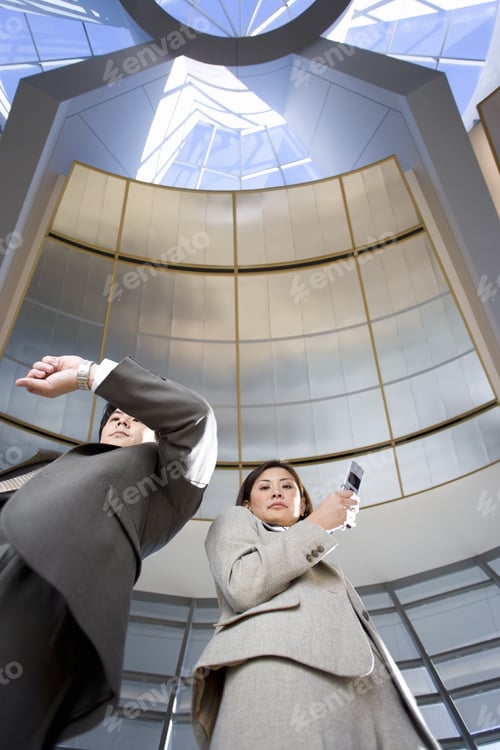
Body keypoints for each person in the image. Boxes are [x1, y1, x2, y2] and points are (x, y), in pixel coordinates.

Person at [0, 353, 217, 750]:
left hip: (41, 594)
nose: (120, 418)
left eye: (136, 416)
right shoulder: (47, 463)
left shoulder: (163, 490)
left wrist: (88, 374)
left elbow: (194, 418)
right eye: (114, 414)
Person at [191, 460, 441, 750]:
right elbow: (243, 584)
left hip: (367, 689)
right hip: (280, 671)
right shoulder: (235, 519)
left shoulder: (316, 556)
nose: (277, 493)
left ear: (303, 504)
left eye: (287, 487)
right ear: (247, 505)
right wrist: (318, 524)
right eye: (264, 487)